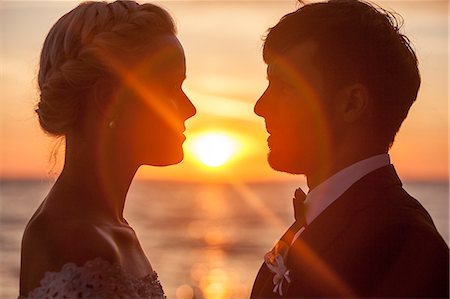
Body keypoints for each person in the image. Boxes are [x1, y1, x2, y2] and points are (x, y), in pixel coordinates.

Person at [251, 0, 449, 298]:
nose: (260, 107)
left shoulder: (405, 243)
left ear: (351, 104)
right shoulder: (317, 224)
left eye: (285, 86)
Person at [19, 1, 196, 298]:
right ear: (108, 99)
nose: (189, 109)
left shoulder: (112, 227)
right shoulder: (74, 238)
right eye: (170, 88)